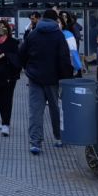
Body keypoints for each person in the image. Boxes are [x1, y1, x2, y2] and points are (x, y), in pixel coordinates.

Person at [19, 9, 72, 155]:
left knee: (35, 111)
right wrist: (65, 76)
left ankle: (35, 143)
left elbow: (22, 53)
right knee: (55, 109)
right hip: (53, 79)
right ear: (56, 20)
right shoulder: (59, 35)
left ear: (42, 18)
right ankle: (58, 137)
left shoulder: (33, 33)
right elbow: (64, 58)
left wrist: (28, 68)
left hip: (35, 78)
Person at [0, 20, 21, 137]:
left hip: (10, 75)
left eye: (3, 26)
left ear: (8, 29)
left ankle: (6, 124)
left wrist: (5, 56)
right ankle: (3, 120)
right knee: (0, 99)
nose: (0, 29)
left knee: (7, 99)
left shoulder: (13, 42)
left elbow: (17, 58)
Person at [60, 12, 83, 77]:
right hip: (69, 46)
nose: (64, 17)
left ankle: (78, 71)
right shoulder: (63, 26)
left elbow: (79, 29)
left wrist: (75, 39)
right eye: (62, 16)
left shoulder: (71, 25)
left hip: (72, 44)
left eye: (65, 16)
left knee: (74, 56)